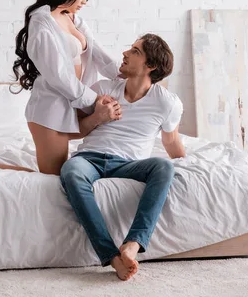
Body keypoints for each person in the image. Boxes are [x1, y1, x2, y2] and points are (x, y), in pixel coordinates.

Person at [0, 0, 120, 175]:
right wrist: (94, 99)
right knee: (53, 179)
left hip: (72, 104)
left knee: (60, 175)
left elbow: (99, 54)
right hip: (50, 109)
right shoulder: (42, 21)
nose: (85, 1)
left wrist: (129, 76)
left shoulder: (73, 18)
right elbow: (58, 75)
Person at [60, 33, 186, 281]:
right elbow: (73, 132)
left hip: (130, 164)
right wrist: (99, 117)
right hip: (90, 159)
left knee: (163, 167)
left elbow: (170, 140)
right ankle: (111, 256)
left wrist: (186, 166)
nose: (125, 53)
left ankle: (134, 243)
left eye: (135, 51)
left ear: (151, 66)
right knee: (71, 172)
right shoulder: (103, 88)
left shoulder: (167, 103)